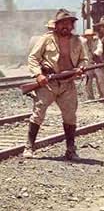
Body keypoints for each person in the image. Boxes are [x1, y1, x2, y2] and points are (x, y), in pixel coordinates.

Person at [24, 9, 88, 160]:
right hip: (48, 83)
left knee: (70, 117)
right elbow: (33, 58)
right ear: (56, 25)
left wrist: (81, 68)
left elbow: (84, 60)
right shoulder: (46, 39)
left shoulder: (78, 41)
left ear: (72, 25)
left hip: (68, 84)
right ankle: (28, 147)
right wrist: (38, 74)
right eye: (62, 23)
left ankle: (70, 150)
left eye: (69, 23)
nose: (66, 26)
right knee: (38, 114)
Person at [82, 28, 104, 101]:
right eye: (87, 35)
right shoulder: (83, 43)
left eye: (90, 35)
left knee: (101, 79)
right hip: (88, 63)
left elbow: (100, 49)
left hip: (97, 62)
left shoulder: (97, 41)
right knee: (88, 80)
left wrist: (95, 54)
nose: (89, 37)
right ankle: (90, 97)